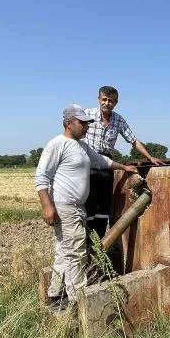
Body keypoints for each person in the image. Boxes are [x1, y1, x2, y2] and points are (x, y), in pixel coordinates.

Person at [34, 103, 138, 309]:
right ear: (68, 123)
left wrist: (124, 167)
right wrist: (47, 206)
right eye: (82, 123)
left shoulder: (82, 147)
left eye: (87, 123)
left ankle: (56, 294)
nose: (86, 126)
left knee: (64, 251)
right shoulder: (58, 144)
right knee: (77, 253)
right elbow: (41, 176)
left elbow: (102, 161)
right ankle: (78, 301)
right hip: (65, 205)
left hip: (77, 207)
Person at [84, 85, 164, 241]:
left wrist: (150, 157)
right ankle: (87, 242)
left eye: (111, 101)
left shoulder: (118, 120)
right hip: (88, 162)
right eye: (104, 99)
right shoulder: (87, 114)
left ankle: (100, 242)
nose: (107, 103)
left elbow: (133, 140)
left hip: (107, 164)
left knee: (104, 205)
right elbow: (73, 130)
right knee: (89, 204)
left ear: (116, 102)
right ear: (99, 99)